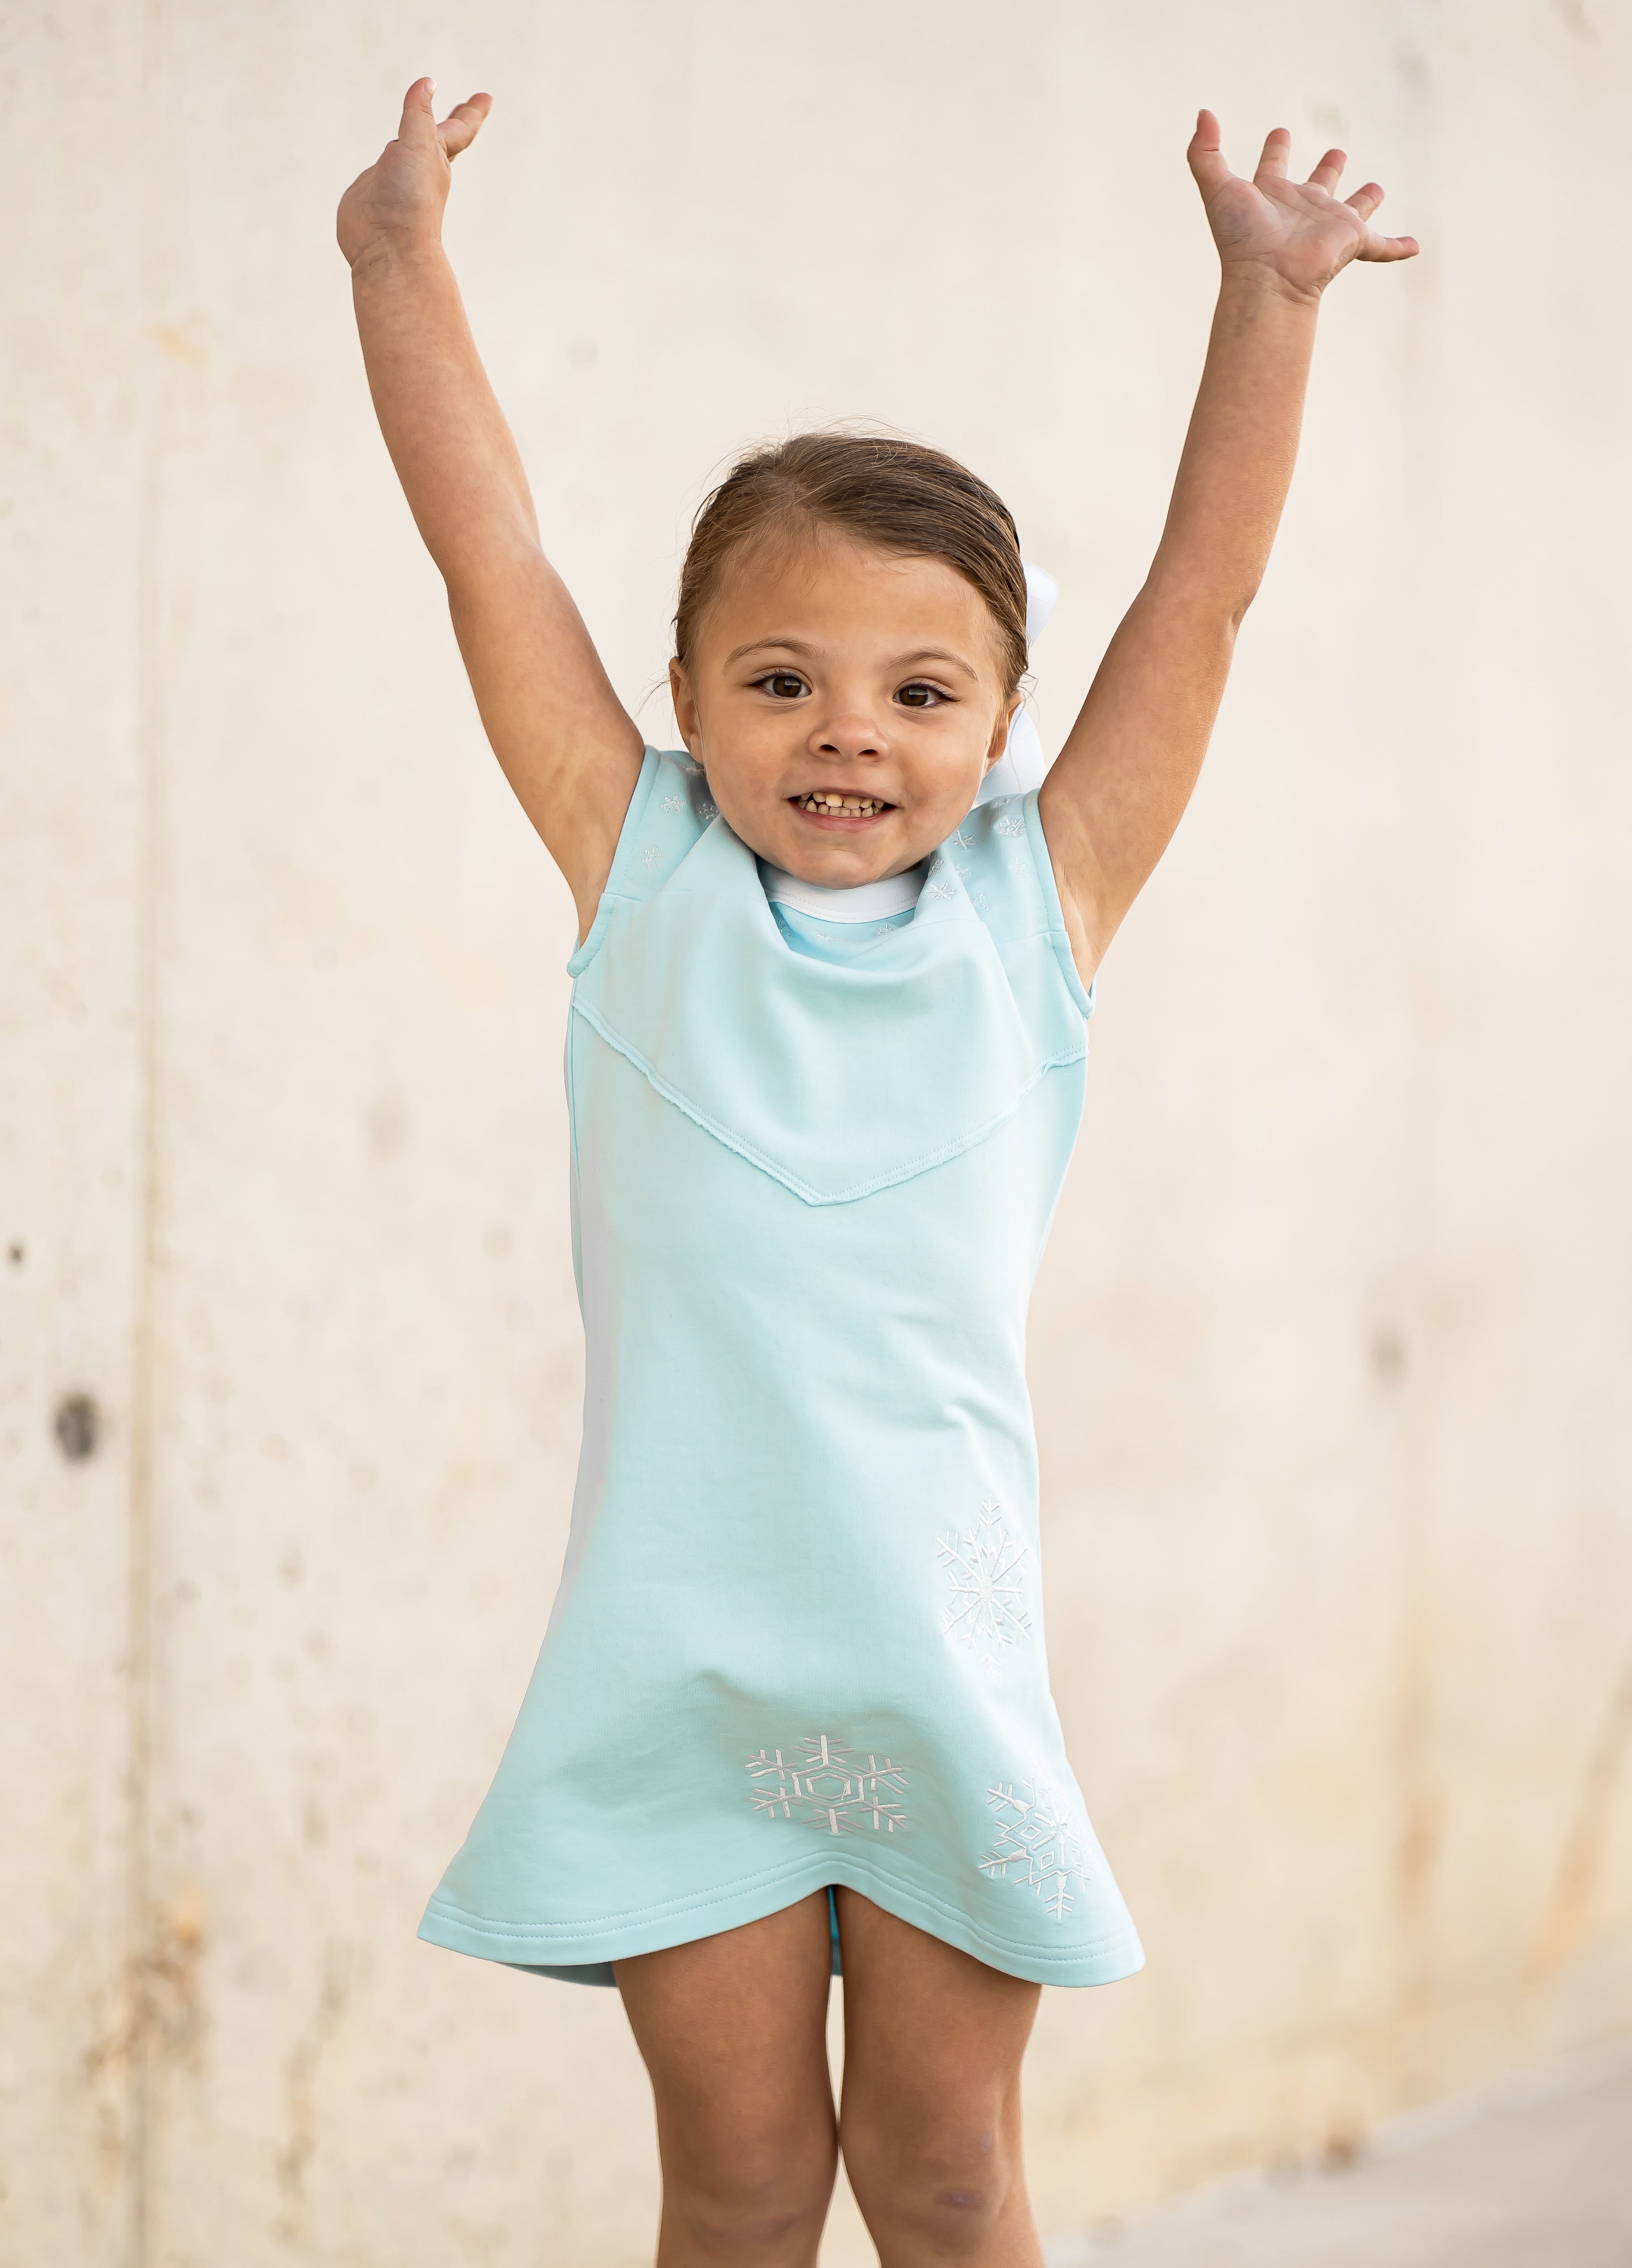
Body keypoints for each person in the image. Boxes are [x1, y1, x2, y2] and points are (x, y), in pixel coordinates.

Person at [337, 80, 1415, 2268]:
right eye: (781, 678)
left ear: (1007, 718)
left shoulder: (1039, 912)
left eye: (920, 689)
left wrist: (1269, 308)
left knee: (942, 2178)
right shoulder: (636, 871)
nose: (848, 729)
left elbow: (1194, 612)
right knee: (739, 2190)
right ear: (683, 699)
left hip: (935, 1667)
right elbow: (490, 561)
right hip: (677, 1679)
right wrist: (396, 264)